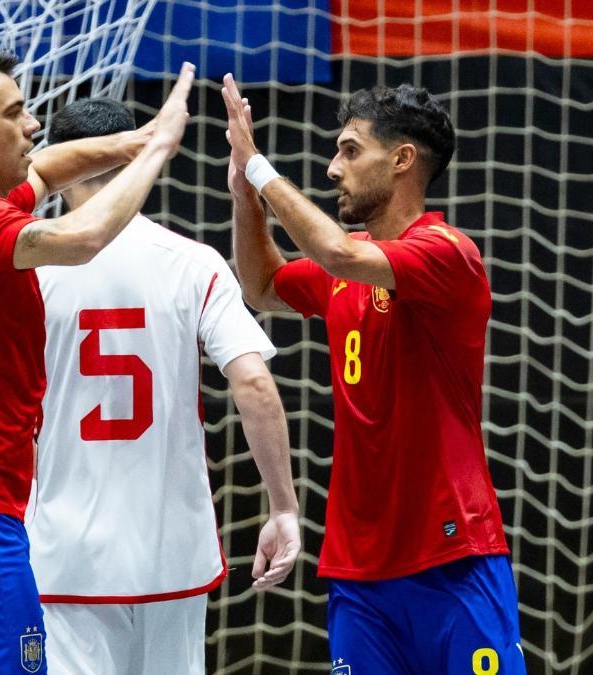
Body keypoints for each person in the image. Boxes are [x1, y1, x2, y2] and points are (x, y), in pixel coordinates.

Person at [0, 49, 196, 674]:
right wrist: (160, 152)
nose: (33, 126)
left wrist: (135, 140)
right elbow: (81, 239)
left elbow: (48, 169)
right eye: (17, 112)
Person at [221, 76, 526, 673]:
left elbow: (336, 252)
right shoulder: (349, 265)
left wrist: (258, 165)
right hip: (357, 564)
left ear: (403, 159)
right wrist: (242, 196)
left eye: (350, 150)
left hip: (450, 552)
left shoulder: (445, 252)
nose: (333, 168)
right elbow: (259, 285)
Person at [23, 97, 301, 675]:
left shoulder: (28, 268)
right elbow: (253, 382)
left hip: (65, 552)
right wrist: (283, 507)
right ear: (140, 158)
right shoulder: (193, 263)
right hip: (172, 552)